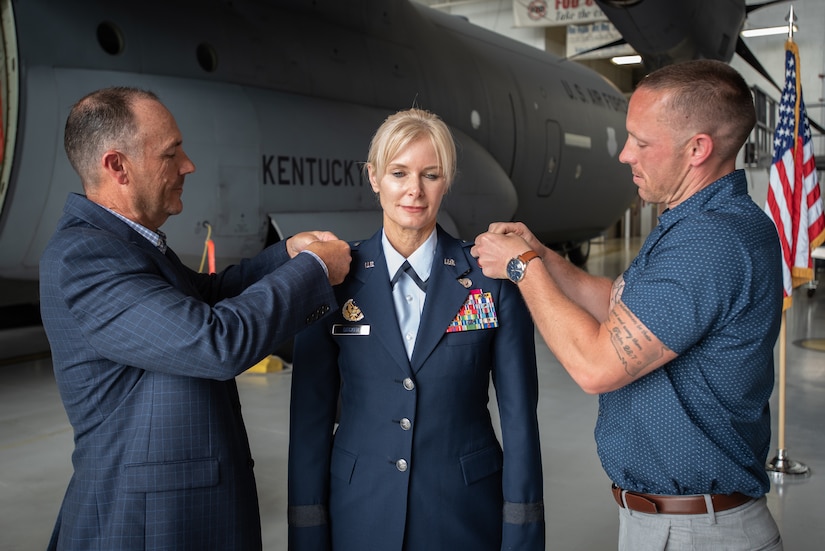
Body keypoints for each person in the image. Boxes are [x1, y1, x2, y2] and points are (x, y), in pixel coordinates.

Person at [472, 60, 784, 550]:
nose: (624, 155)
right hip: (671, 523)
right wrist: (546, 258)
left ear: (697, 149)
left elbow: (596, 366)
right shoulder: (694, 222)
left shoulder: (712, 242)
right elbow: (621, 306)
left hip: (696, 533)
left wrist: (522, 269)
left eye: (641, 141)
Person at [39, 86, 351, 550]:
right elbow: (215, 341)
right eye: (171, 153)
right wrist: (315, 270)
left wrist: (287, 254)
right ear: (117, 166)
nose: (188, 165)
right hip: (147, 527)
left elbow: (204, 295)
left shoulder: (128, 244)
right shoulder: (85, 259)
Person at [287, 108, 545, 550]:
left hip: (463, 515)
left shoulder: (490, 281)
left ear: (447, 180)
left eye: (431, 174)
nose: (414, 190)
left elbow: (520, 421)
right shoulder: (332, 278)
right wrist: (308, 534)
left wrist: (522, 536)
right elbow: (309, 420)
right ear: (373, 177)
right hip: (359, 513)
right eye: (398, 172)